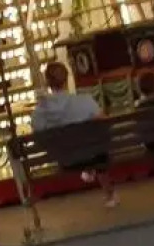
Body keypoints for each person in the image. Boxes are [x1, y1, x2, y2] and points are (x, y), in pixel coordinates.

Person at [30, 62, 118, 208]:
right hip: (91, 154)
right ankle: (109, 192)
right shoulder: (84, 101)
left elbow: (37, 135)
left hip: (65, 159)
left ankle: (89, 169)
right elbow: (104, 123)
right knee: (97, 142)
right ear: (66, 79)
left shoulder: (40, 111)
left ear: (47, 83)